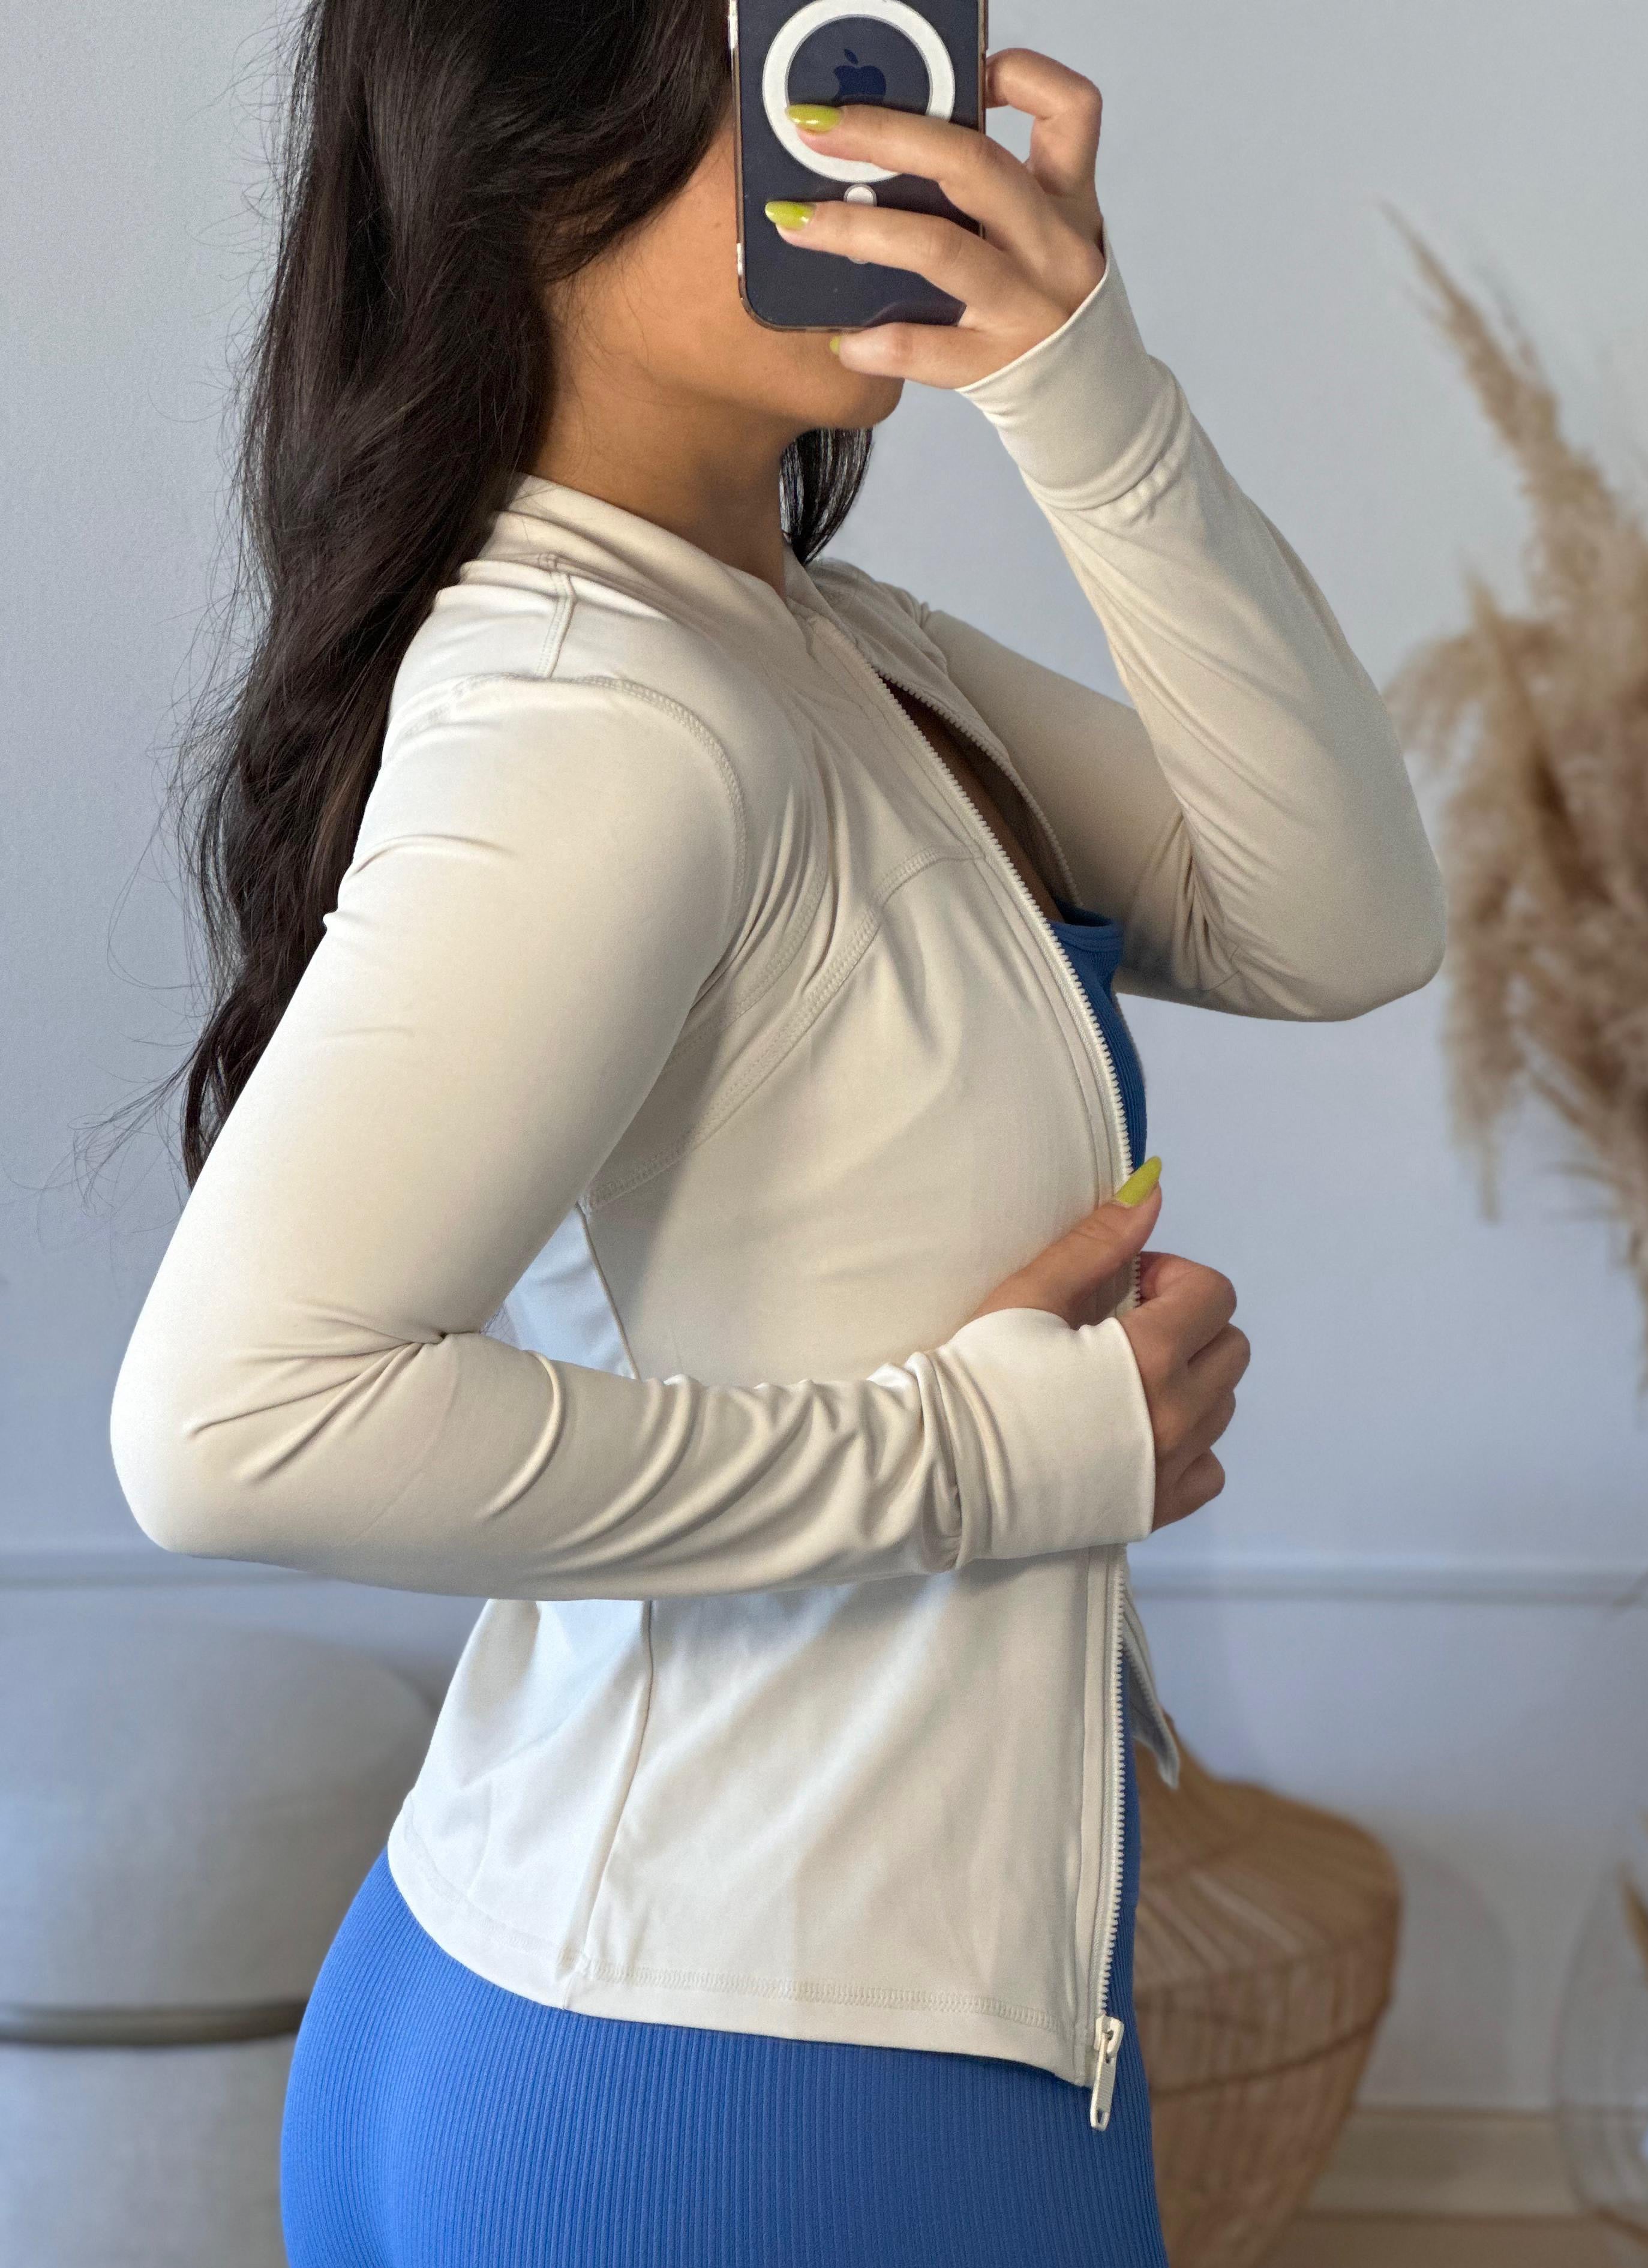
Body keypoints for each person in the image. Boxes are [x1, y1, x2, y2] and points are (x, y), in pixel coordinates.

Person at [108, 1, 1447, 2260]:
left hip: (700, 2019)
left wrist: (1084, 385)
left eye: (891, 53)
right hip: (744, 2095)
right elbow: (236, 1424)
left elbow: (1337, 916)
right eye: (788, 71)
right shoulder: (608, 706)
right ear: (538, 161)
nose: (881, 147)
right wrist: (992, 1454)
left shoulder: (812, 650)